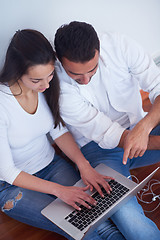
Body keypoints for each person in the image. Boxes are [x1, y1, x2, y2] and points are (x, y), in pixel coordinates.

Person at [0, 29, 127, 240]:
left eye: (50, 75)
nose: (47, 84)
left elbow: (58, 130)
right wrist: (60, 191)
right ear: (16, 72)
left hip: (51, 166)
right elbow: (7, 171)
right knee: (81, 228)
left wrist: (83, 165)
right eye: (37, 80)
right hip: (10, 185)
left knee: (101, 221)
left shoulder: (45, 88)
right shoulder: (2, 104)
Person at [53, 21, 160, 240]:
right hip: (100, 150)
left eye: (92, 70)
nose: (85, 80)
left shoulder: (120, 45)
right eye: (76, 75)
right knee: (133, 226)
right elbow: (110, 135)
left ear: (99, 51)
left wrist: (145, 125)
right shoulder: (57, 85)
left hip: (140, 127)